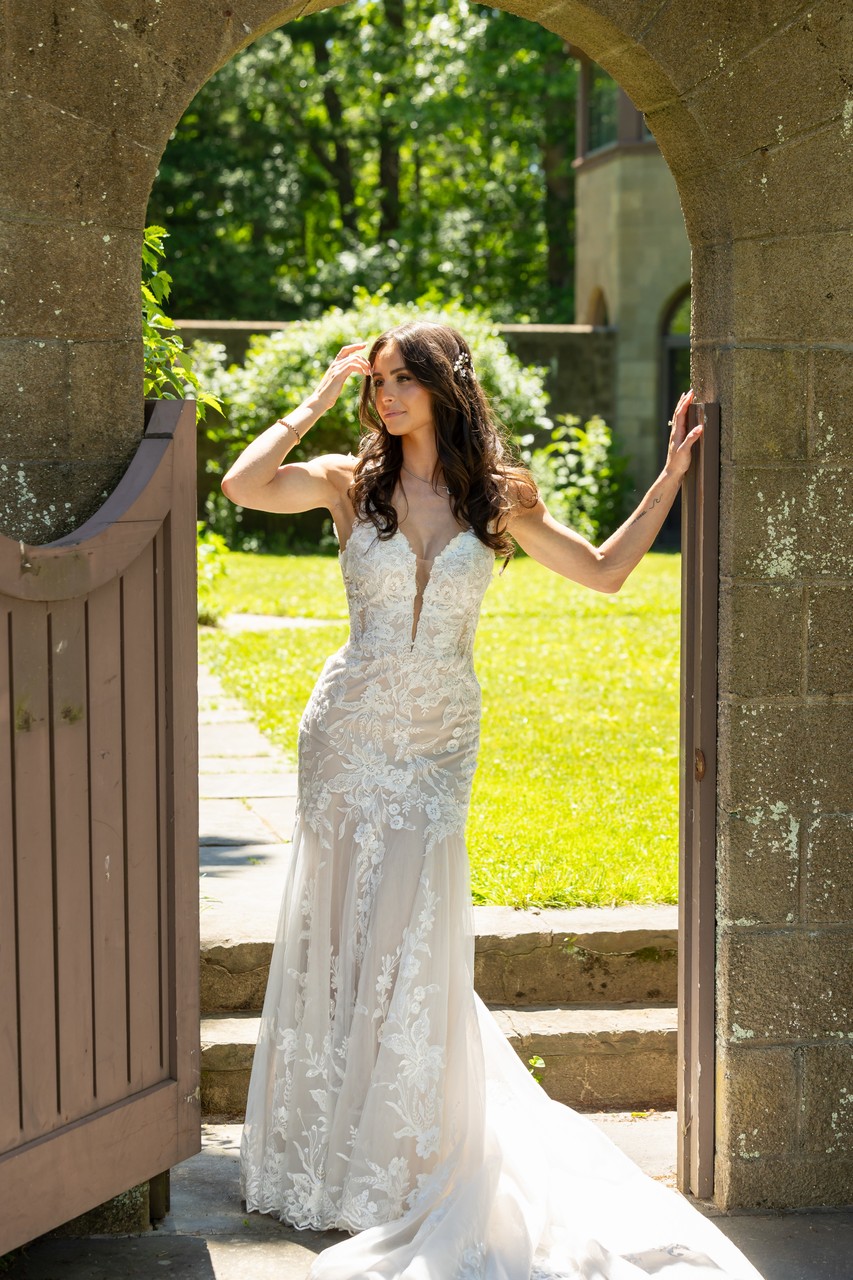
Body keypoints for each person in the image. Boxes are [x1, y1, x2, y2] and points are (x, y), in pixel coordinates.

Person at [222, 322, 760, 1279]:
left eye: (400, 382)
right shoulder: (353, 481)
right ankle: (331, 1151)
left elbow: (603, 572)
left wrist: (671, 478)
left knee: (413, 933)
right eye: (376, 384)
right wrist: (311, 402)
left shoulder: (496, 499)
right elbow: (242, 486)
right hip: (347, 735)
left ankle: (405, 1145)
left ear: (441, 385)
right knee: (341, 938)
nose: (384, 398)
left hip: (436, 747)